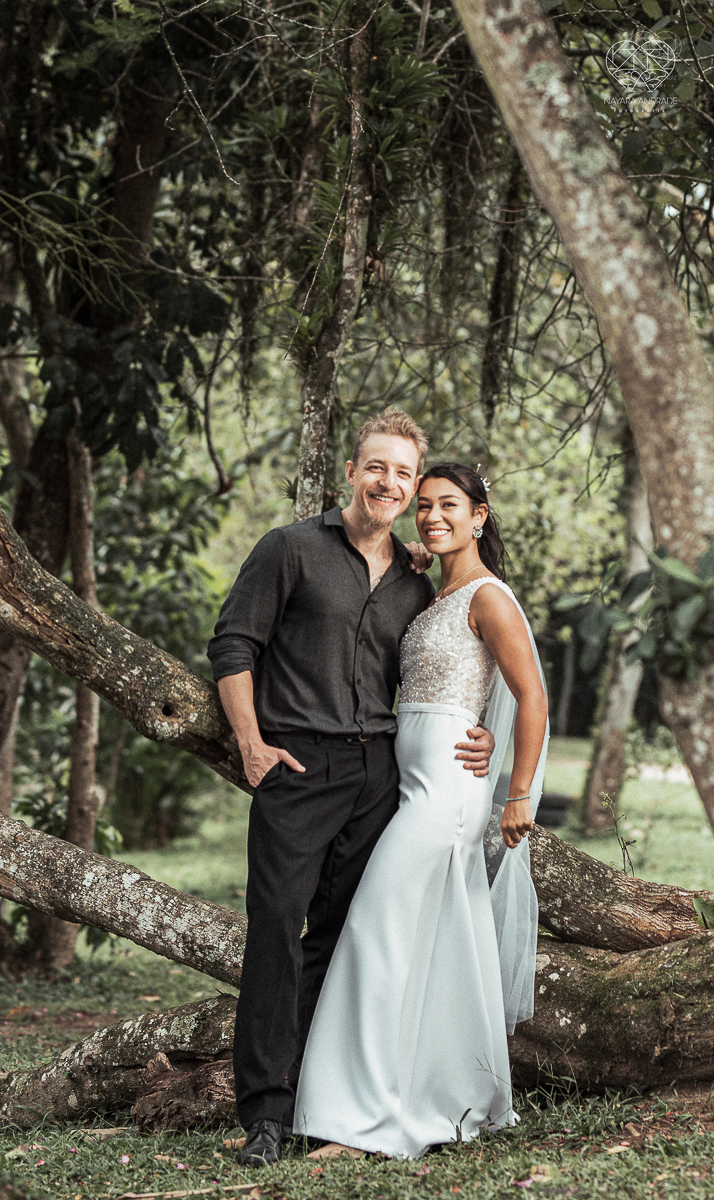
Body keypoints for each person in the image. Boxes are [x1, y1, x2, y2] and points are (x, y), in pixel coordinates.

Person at [206, 413, 495, 1167]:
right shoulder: (290, 548)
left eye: (403, 475)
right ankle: (265, 1115)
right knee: (275, 928)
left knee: (342, 935)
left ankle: (319, 1100)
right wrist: (250, 743)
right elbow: (233, 642)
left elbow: (456, 664)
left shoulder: (413, 578)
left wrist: (484, 727)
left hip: (379, 773)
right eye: (377, 468)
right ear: (351, 470)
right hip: (297, 767)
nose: (389, 484)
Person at [292, 462, 550, 1159]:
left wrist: (517, 789)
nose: (432, 516)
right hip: (409, 785)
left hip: (446, 796)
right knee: (435, 948)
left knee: (374, 930)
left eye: (448, 506)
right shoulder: (438, 592)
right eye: (425, 507)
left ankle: (360, 1119)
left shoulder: (489, 597)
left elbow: (530, 695)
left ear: (479, 517)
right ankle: (449, 1093)